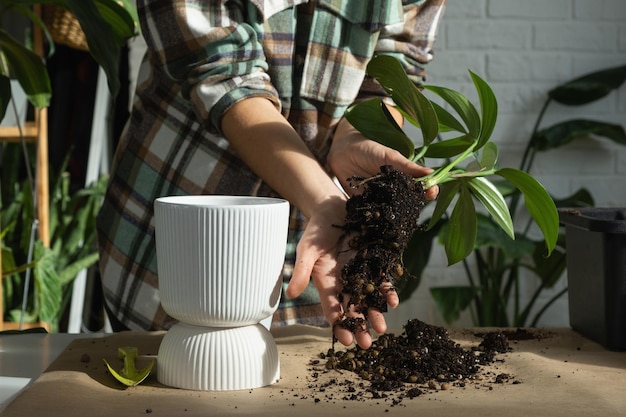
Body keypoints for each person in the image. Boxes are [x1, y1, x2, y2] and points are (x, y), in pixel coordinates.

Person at [96, 0, 445, 348]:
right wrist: (325, 199)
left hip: (314, 267)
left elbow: (395, 66)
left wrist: (357, 136)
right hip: (182, 245)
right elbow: (221, 71)